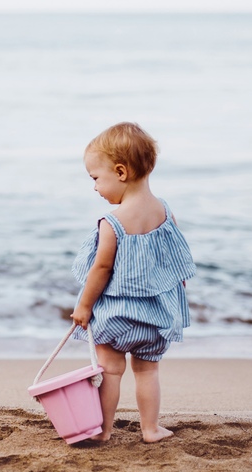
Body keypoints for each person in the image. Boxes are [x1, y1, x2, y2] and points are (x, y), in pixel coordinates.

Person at [70, 122, 195, 443]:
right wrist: (176, 299)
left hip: (116, 319)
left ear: (121, 172)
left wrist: (84, 307)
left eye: (96, 178)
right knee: (147, 372)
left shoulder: (112, 223)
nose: (95, 187)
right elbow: (177, 259)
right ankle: (150, 429)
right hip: (155, 317)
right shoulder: (164, 211)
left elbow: (101, 268)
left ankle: (103, 431)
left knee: (110, 372)